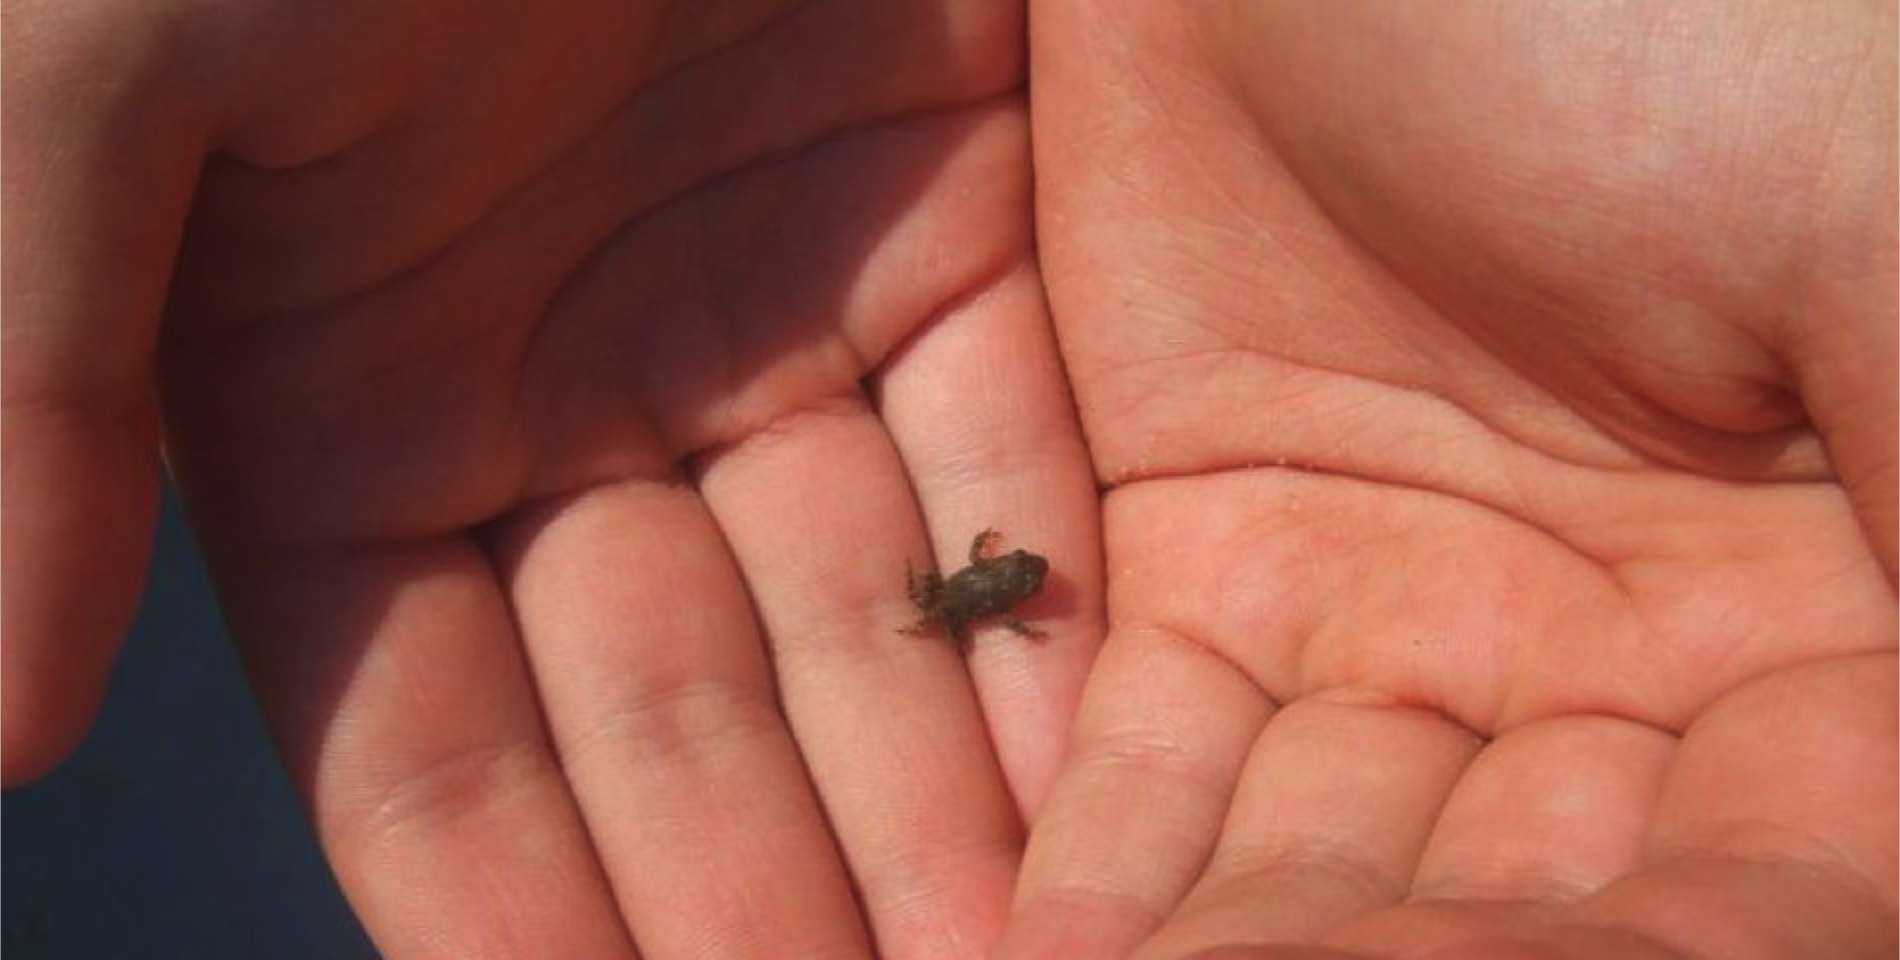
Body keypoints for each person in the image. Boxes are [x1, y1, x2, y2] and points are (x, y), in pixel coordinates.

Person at [5, 2, 1892, 957]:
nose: (1011, 593)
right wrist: (968, 599)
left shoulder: (1001, 587)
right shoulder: (979, 591)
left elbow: (996, 582)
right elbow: (979, 586)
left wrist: (983, 595)